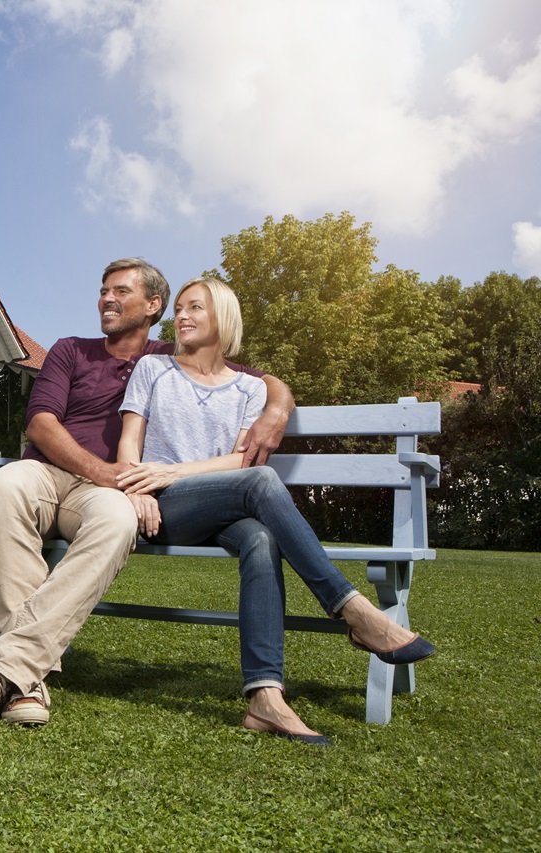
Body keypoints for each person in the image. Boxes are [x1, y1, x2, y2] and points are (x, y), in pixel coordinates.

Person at [0, 258, 296, 730]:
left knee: (117, 520)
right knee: (5, 483)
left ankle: (5, 671)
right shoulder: (71, 350)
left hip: (111, 494)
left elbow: (256, 377)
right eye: (104, 290)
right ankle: (25, 678)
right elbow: (41, 424)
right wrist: (106, 472)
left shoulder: (171, 357)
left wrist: (278, 408)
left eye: (121, 291)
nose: (107, 298)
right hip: (50, 475)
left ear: (152, 305)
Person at [116, 277, 436, 746]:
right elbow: (129, 441)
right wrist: (138, 487)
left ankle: (265, 698)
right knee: (263, 481)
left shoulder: (249, 388)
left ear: (222, 317)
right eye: (179, 308)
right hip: (164, 509)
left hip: (218, 503)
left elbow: (240, 460)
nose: (181, 316)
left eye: (195, 307)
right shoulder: (153, 369)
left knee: (262, 538)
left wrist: (175, 471)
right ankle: (354, 611)